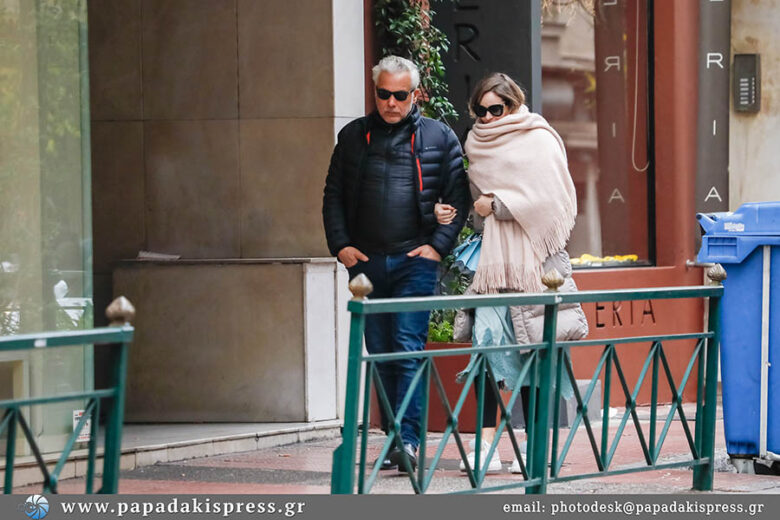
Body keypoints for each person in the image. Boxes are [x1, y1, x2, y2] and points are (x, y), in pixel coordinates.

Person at [435, 72, 588, 474]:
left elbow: (553, 200)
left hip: (536, 265)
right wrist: (464, 210)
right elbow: (475, 207)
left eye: (496, 109)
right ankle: (486, 446)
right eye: (480, 111)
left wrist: (499, 205)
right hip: (493, 267)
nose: (487, 118)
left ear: (514, 104)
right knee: (485, 352)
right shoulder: (475, 144)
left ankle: (535, 448)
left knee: (533, 354)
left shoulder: (538, 137)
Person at [323, 56, 470, 472]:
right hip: (365, 264)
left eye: (400, 95)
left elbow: (458, 199)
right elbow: (333, 194)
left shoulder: (439, 136)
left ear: (415, 95)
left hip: (414, 261)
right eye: (383, 94)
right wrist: (341, 246)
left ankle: (407, 440)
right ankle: (393, 439)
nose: (391, 102)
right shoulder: (354, 136)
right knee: (380, 352)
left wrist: (437, 247)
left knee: (406, 348)